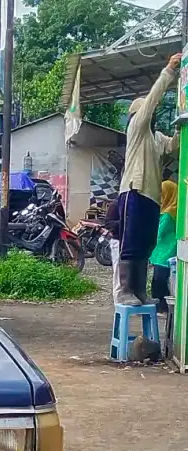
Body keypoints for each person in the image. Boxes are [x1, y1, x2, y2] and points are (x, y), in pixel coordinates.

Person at [115, 52, 181, 306]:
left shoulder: (155, 138)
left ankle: (140, 291)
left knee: (146, 244)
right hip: (134, 191)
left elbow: (174, 146)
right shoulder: (136, 130)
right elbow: (151, 102)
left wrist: (180, 124)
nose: (149, 115)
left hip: (152, 196)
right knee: (131, 243)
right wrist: (168, 73)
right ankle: (124, 290)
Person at [150, 179, 178, 312]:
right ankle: (161, 305)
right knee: (162, 278)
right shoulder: (173, 210)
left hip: (164, 250)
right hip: (165, 249)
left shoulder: (168, 213)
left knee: (159, 279)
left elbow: (158, 233)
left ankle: (161, 306)